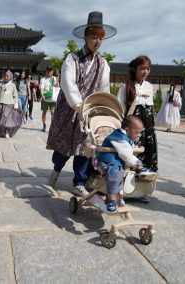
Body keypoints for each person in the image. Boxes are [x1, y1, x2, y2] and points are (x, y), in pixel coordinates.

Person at [46, 11, 116, 197]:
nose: (97, 41)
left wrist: (102, 108)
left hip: (88, 113)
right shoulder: (72, 59)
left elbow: (104, 89)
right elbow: (68, 85)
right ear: (85, 36)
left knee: (85, 148)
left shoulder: (103, 64)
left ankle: (79, 181)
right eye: (94, 36)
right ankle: (56, 169)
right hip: (70, 108)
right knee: (64, 147)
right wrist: (79, 105)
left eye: (100, 37)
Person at [98, 115, 144, 212]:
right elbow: (126, 154)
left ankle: (118, 193)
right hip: (108, 161)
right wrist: (135, 163)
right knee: (115, 174)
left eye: (140, 133)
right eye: (136, 132)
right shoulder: (119, 138)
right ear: (127, 129)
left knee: (123, 172)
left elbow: (128, 148)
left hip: (117, 159)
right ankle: (111, 199)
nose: (138, 135)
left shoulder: (125, 136)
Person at [0, 70, 22, 138]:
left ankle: (7, 131)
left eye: (7, 76)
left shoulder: (13, 85)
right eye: (5, 75)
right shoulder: (1, 85)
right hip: (1, 105)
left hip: (9, 105)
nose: (6, 77)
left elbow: (15, 95)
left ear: (10, 77)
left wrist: (16, 102)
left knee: (8, 120)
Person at [40, 66, 59, 132]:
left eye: (50, 70)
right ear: (46, 71)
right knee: (44, 112)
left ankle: (52, 126)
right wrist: (42, 96)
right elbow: (42, 89)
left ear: (52, 71)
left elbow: (57, 86)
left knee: (53, 112)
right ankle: (44, 125)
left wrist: (57, 78)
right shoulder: (43, 79)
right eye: (47, 70)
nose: (49, 72)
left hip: (52, 98)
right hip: (45, 97)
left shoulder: (54, 78)